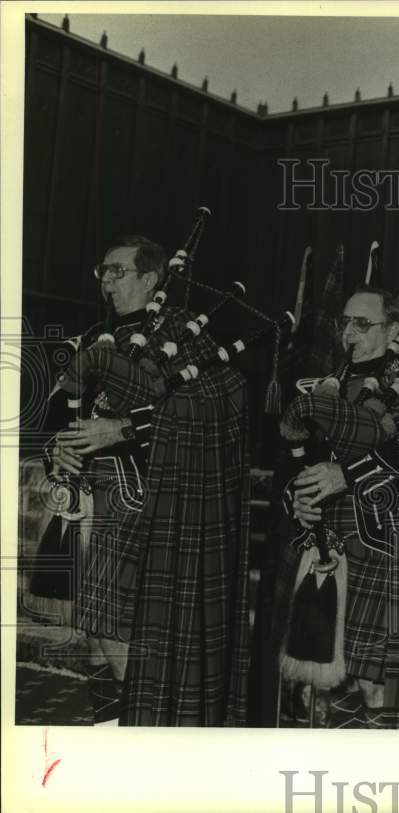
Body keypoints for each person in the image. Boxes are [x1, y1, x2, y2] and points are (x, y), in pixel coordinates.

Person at [45, 235, 251, 725]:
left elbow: (219, 412)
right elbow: (61, 408)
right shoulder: (101, 334)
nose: (106, 282)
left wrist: (120, 427)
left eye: (117, 271)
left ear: (150, 278)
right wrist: (58, 449)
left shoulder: (183, 332)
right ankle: (110, 732)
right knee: (93, 632)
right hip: (90, 502)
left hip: (146, 500)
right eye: (104, 272)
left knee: (113, 628)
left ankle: (141, 739)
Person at [266, 285, 399, 727]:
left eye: (363, 323)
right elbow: (293, 458)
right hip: (319, 541)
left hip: (376, 543)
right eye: (344, 322)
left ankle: (379, 783)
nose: (349, 332)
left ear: (393, 329)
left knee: (374, 680)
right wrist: (298, 502)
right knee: (329, 680)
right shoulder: (321, 385)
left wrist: (347, 476)